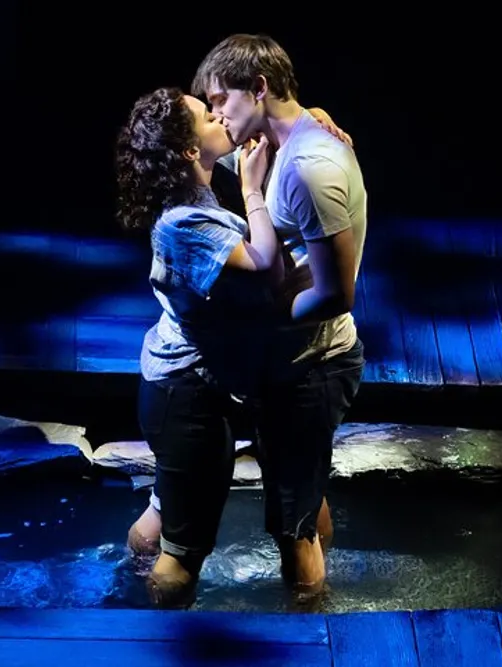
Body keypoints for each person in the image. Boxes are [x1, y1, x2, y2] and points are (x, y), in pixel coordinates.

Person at [131, 34, 368, 601]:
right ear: (191, 151)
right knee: (181, 542)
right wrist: (256, 190)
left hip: (258, 370)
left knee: (294, 516)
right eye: (205, 112)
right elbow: (264, 264)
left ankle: (308, 618)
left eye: (216, 102)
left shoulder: (227, 176)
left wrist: (313, 116)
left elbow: (288, 126)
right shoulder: (188, 218)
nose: (218, 115)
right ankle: (141, 610)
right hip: (189, 381)